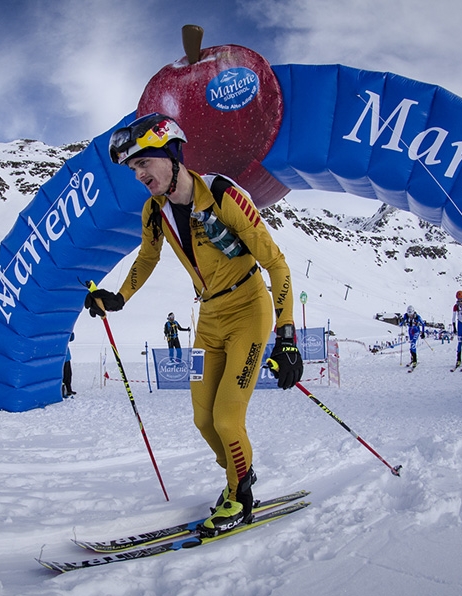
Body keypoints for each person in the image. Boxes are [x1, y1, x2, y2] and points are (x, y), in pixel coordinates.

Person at [84, 113, 302, 536]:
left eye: (144, 162)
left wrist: (287, 336)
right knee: (203, 420)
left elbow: (276, 264)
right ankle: (240, 475)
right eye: (133, 169)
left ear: (171, 154)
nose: (139, 174)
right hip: (207, 321)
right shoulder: (154, 211)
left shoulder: (223, 195)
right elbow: (147, 259)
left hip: (248, 311)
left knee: (226, 418)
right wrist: (118, 297)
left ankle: (240, 497)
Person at [62, 332, 76, 397]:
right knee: (63, 376)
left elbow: (71, 338)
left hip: (67, 357)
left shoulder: (66, 332)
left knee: (68, 375)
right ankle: (62, 391)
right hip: (62, 358)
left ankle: (69, 390)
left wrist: (71, 332)